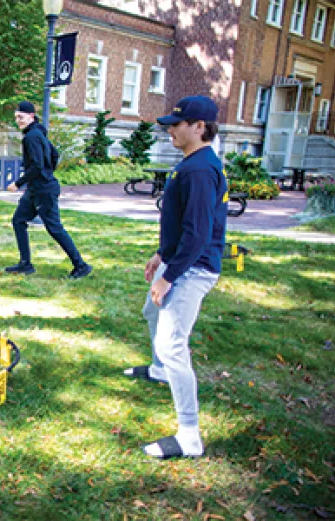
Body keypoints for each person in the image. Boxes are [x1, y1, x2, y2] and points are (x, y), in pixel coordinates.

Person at [123, 95, 228, 459]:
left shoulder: (200, 170)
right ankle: (159, 370)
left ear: (200, 127)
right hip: (181, 260)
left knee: (173, 344)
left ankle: (189, 436)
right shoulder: (195, 162)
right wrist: (161, 256)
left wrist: (170, 276)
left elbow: (198, 233)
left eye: (178, 124)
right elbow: (183, 223)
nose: (171, 129)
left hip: (194, 268)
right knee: (151, 313)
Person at [5, 101, 92, 279]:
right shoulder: (37, 133)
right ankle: (25, 264)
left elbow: (37, 165)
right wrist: (47, 172)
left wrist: (18, 183)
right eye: (16, 118)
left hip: (43, 189)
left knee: (54, 228)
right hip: (36, 188)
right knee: (18, 220)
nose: (18, 121)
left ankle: (81, 265)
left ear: (31, 115)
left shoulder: (31, 137)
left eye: (20, 117)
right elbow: (54, 154)